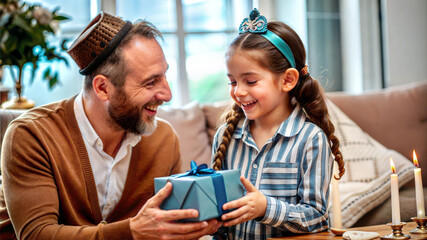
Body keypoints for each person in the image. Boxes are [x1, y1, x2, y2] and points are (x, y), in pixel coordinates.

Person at [0, 11, 221, 239]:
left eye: (165, 75)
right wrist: (131, 231)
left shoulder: (164, 138)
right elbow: (37, 235)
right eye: (151, 82)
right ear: (103, 88)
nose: (167, 94)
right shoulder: (32, 135)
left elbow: (169, 225)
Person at [211, 8, 345, 239]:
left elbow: (317, 217)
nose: (239, 91)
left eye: (250, 81)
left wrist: (266, 208)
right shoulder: (226, 136)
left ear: (288, 80)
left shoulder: (310, 139)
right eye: (232, 81)